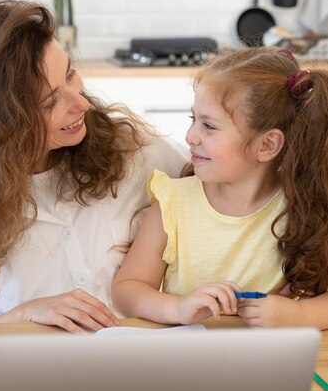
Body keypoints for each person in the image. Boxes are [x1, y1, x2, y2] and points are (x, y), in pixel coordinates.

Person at [0, 0, 187, 331]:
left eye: (70, 75)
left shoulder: (136, 153)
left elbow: (232, 188)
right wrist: (23, 315)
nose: (81, 103)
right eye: (49, 101)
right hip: (25, 380)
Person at [112, 47, 328, 329]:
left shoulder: (304, 207)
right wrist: (179, 307)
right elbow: (127, 289)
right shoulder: (172, 204)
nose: (190, 137)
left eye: (209, 126)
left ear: (266, 145)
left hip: (263, 362)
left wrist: (299, 315)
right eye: (193, 120)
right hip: (185, 358)